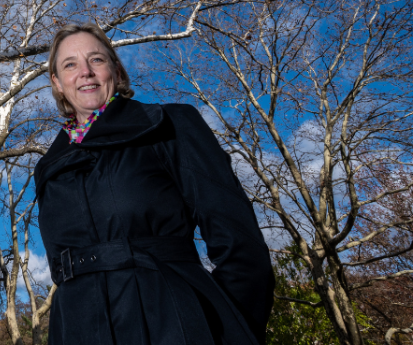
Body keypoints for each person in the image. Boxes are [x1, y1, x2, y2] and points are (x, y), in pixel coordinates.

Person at [34, 23, 274, 345]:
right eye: (70, 65)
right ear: (58, 83)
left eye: (97, 60)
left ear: (117, 71)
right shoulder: (48, 168)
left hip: (172, 324)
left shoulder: (169, 125)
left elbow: (240, 244)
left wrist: (226, 328)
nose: (85, 73)